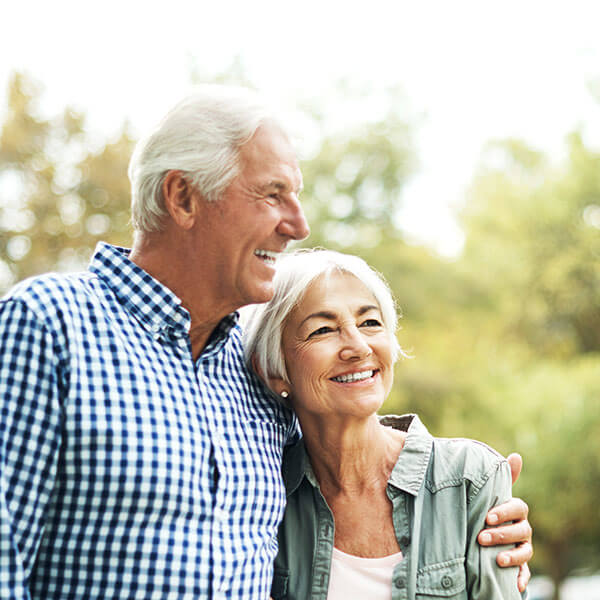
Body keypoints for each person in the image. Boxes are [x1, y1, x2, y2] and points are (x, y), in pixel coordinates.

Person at [0, 86, 530, 600]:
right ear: (182, 197)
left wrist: (470, 512)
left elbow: (351, 440)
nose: (297, 225)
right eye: (273, 194)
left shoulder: (252, 371)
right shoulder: (49, 325)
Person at [243, 249, 529, 599]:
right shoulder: (262, 496)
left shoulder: (471, 478)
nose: (359, 346)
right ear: (272, 370)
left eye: (370, 322)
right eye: (322, 330)